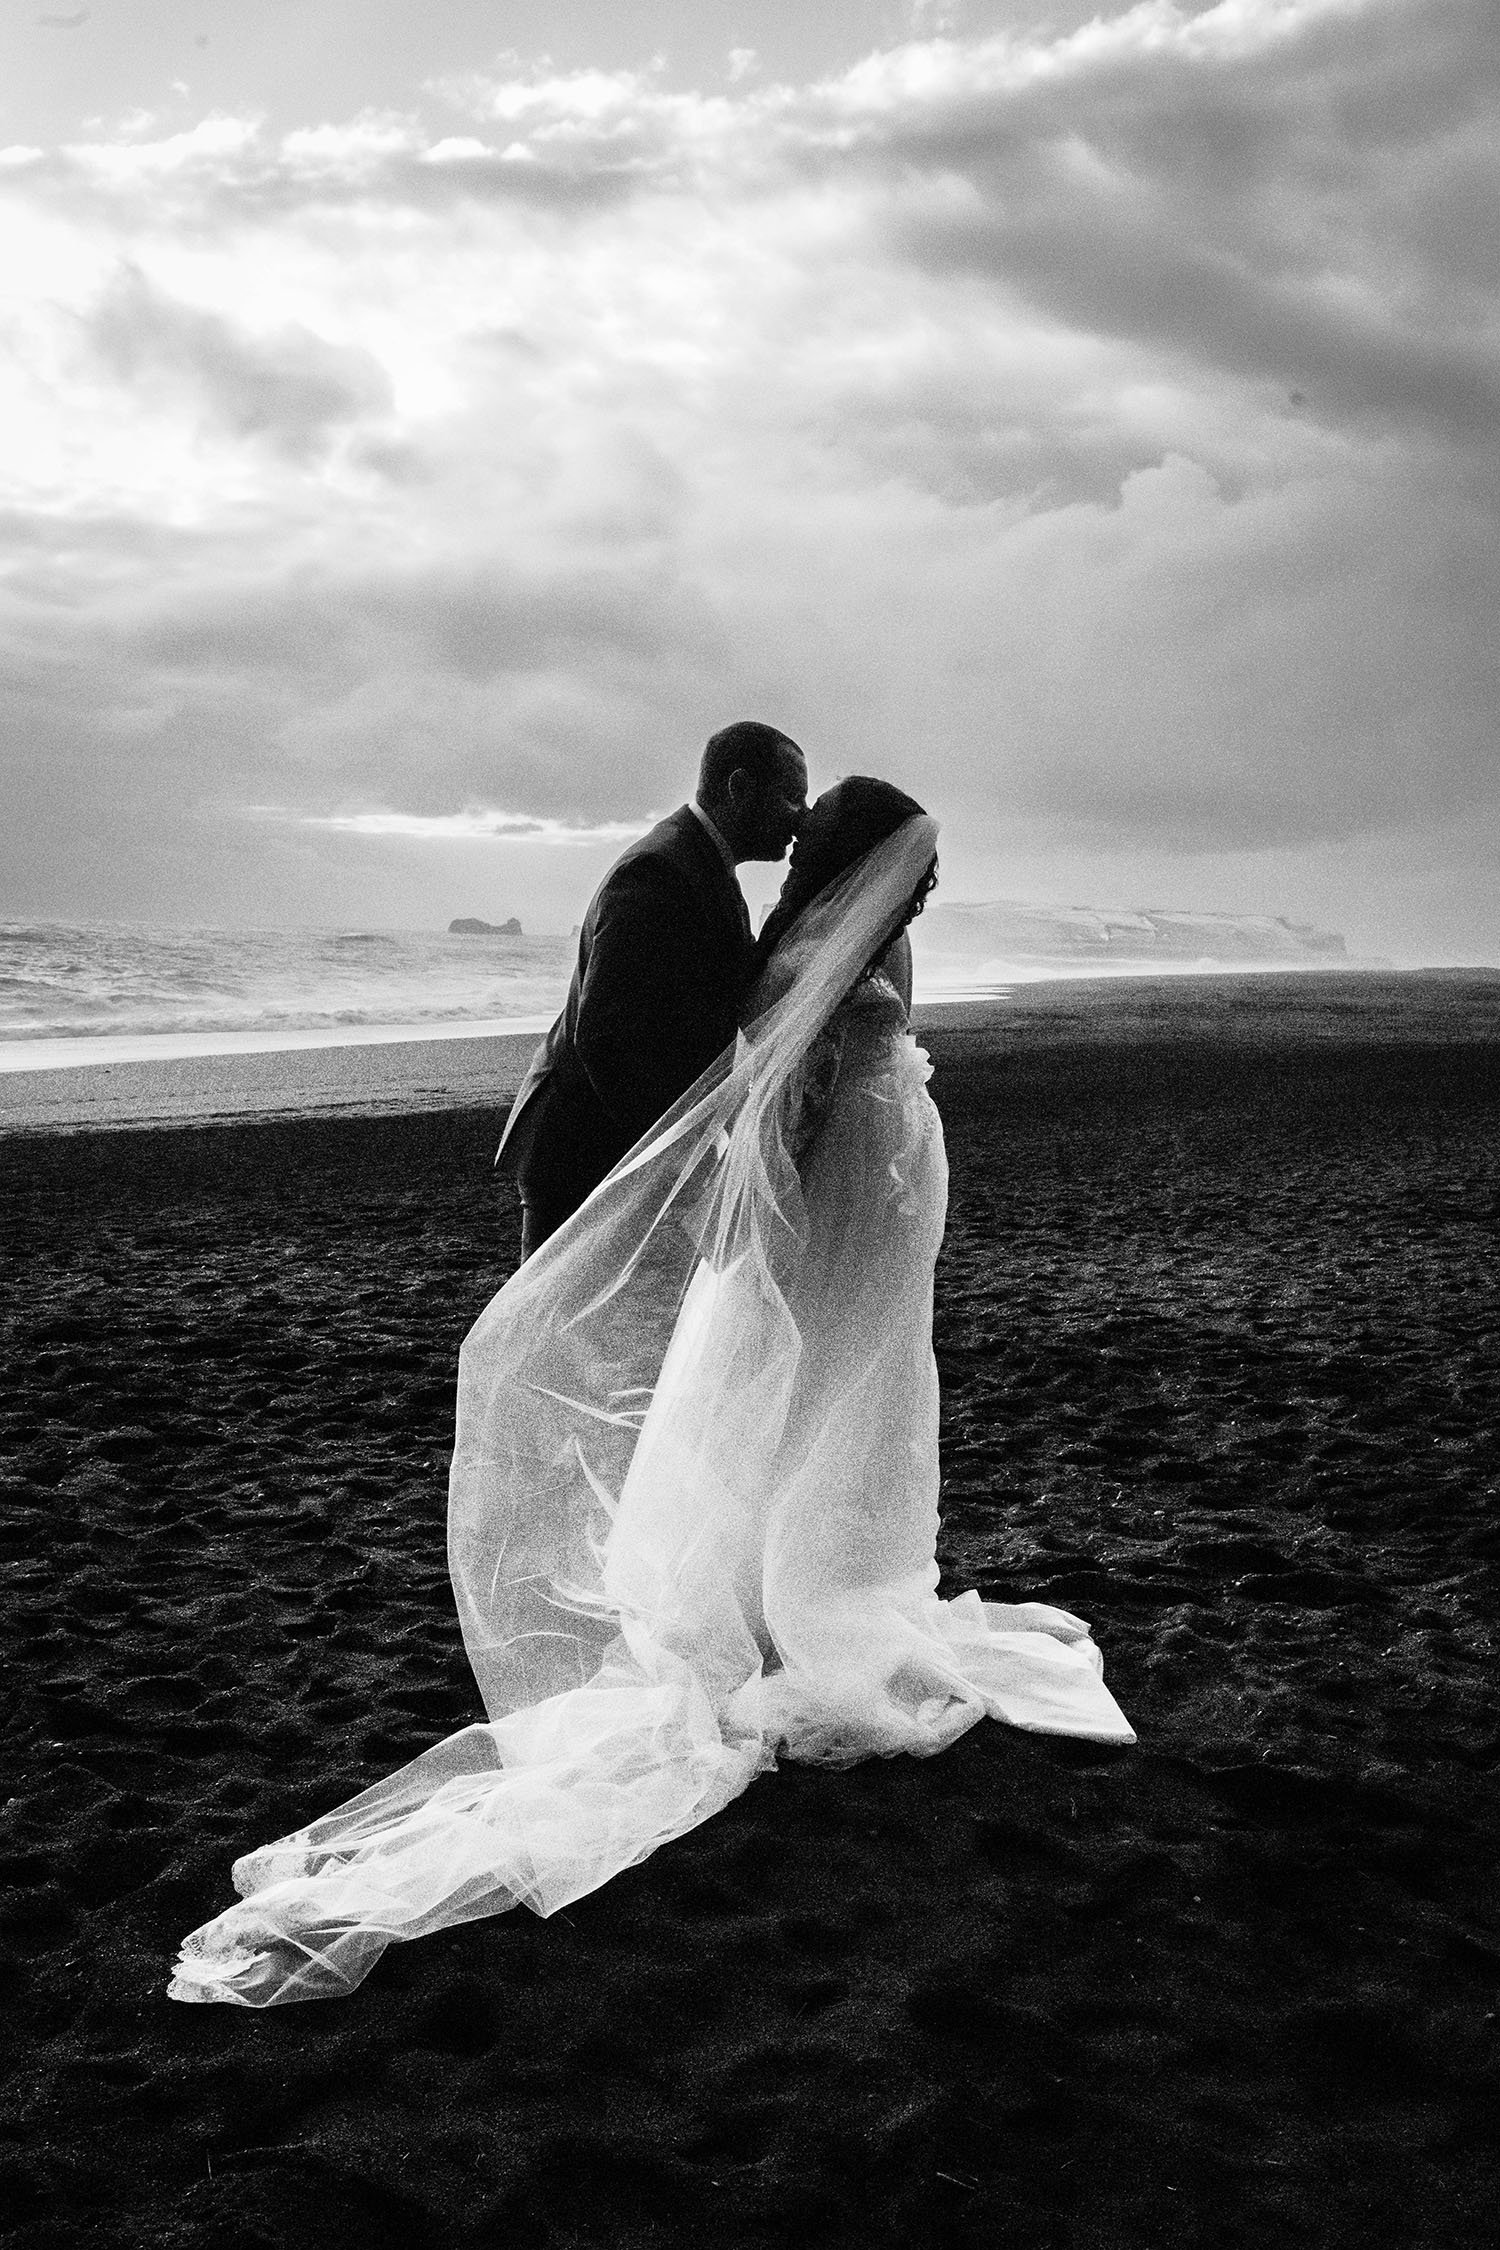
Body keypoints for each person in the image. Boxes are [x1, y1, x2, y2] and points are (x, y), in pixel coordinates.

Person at [170, 778, 1133, 2008]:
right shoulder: (790, 931)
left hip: (867, 1189)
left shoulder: (804, 932)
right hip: (851, 1197)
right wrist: (804, 1188)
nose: (930, 886)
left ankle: (786, 1588)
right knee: (832, 1389)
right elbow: (786, 1080)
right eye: (918, 865)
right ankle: (797, 1604)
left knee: (843, 1394)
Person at [498, 721, 809, 1257]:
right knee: (557, 1334)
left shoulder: (699, 863)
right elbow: (606, 1035)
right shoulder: (658, 871)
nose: (801, 820)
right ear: (739, 788)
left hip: (619, 1142)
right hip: (585, 1147)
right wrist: (676, 1157)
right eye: (790, 799)